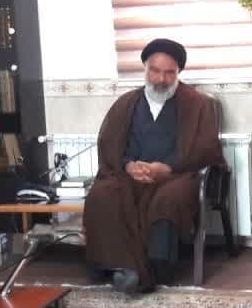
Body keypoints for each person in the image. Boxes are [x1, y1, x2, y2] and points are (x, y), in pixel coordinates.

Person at [83, 38, 224, 294]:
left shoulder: (197, 104)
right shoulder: (126, 103)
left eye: (169, 73)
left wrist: (167, 168)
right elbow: (110, 145)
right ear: (145, 69)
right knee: (102, 194)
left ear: (178, 72)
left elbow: (206, 150)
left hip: (176, 175)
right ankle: (118, 265)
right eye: (155, 71)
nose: (161, 79)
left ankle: (155, 269)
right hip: (129, 175)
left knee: (168, 199)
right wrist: (128, 166)